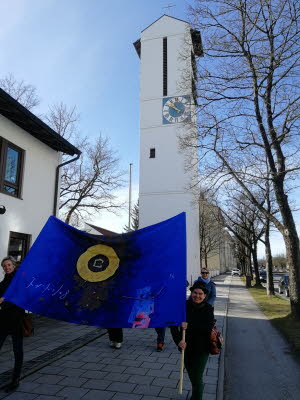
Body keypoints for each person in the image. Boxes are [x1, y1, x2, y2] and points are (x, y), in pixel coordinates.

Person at [170, 282, 215, 400]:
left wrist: (188, 326)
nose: (197, 296)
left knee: (197, 378)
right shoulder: (183, 306)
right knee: (192, 375)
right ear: (191, 292)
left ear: (205, 296)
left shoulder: (208, 309)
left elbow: (207, 328)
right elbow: (173, 327)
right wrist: (178, 341)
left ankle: (196, 397)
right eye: (195, 292)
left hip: (202, 349)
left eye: (200, 293)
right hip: (186, 347)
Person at [0, 256, 25, 392]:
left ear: (14, 266)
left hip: (16, 321)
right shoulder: (2, 283)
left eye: (9, 265)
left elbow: (20, 298)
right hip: (3, 321)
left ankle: (15, 380)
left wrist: (4, 300)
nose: (7, 267)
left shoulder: (19, 281)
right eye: (4, 266)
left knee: (17, 351)